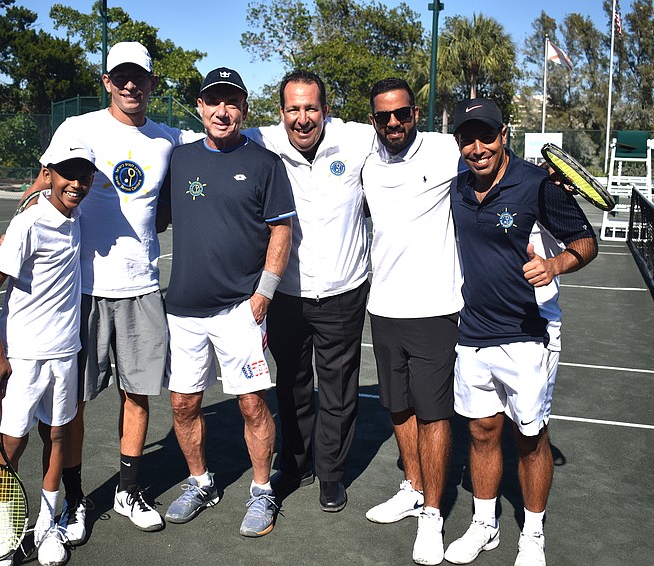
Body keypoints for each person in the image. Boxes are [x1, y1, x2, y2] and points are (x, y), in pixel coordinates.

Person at [17, 41, 201, 541]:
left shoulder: (168, 139)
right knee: (70, 403)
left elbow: (224, 137)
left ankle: (127, 490)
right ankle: (74, 499)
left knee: (137, 394)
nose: (129, 85)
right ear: (106, 82)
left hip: (142, 288)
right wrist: (15, 237)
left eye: (138, 77)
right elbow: (41, 186)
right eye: (120, 76)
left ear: (150, 83)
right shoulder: (78, 129)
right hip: (78, 292)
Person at [443, 98, 597, 566]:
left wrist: (555, 264)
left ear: (504, 134)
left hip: (529, 334)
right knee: (483, 432)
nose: (477, 147)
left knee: (530, 438)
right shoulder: (456, 189)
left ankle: (532, 535)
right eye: (467, 138)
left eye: (485, 135)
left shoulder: (536, 184)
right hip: (473, 333)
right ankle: (484, 524)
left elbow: (586, 242)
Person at [159, 67, 295, 537]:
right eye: (213, 102)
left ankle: (262, 491)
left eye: (231, 102)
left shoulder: (264, 163)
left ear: (243, 108)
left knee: (253, 405)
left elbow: (282, 230)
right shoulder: (177, 160)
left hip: (240, 308)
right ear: (199, 107)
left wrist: (264, 294)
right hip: (182, 311)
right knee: (182, 404)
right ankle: (200, 483)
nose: (222, 111)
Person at [245, 70, 374, 512]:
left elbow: (420, 146)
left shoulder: (359, 139)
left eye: (311, 108)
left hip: (343, 291)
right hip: (287, 293)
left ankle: (331, 475)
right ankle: (296, 464)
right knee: (293, 385)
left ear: (326, 109)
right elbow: (202, 135)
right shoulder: (262, 141)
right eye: (293, 109)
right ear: (280, 112)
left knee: (338, 391)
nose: (302, 119)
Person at [360, 78, 463, 566]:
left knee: (434, 413)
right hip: (384, 309)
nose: (394, 123)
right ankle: (414, 487)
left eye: (401, 114)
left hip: (435, 310)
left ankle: (434, 514)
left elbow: (497, 167)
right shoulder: (365, 160)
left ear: (415, 112)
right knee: (398, 406)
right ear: (373, 120)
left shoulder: (446, 150)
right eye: (384, 117)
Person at [0, 140, 96, 566]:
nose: (76, 183)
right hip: (24, 357)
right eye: (67, 173)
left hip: (66, 352)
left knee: (58, 436)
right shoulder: (29, 224)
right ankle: (5, 533)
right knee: (12, 445)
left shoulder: (78, 216)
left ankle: (47, 528)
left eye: (84, 176)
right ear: (48, 173)